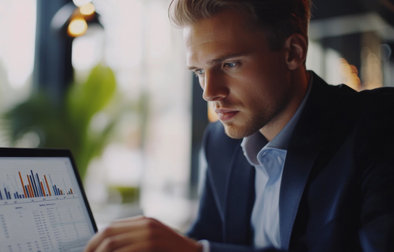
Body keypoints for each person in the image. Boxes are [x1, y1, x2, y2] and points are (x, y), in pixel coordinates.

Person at [84, 0, 394, 251]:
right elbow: (206, 235)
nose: (209, 92)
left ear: (293, 52)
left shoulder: (377, 125)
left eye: (229, 64)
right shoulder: (220, 142)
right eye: (199, 71)